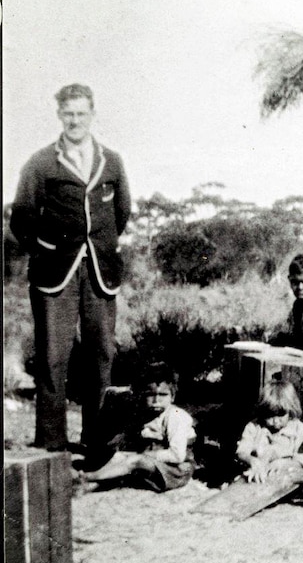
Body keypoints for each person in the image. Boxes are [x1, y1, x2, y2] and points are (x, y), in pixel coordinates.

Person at [10, 83, 132, 453]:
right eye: (68, 114)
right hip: (55, 275)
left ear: (93, 114)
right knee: (52, 358)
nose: (75, 120)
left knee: (101, 356)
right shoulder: (41, 162)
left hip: (99, 273)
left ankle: (97, 443)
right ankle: (51, 444)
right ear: (59, 116)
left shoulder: (111, 161)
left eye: (81, 113)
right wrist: (47, 249)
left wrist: (100, 246)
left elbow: (121, 212)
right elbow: (22, 218)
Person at [82, 364, 195, 492]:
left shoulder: (176, 417)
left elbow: (177, 455)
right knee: (120, 457)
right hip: (153, 462)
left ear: (172, 396)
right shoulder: (144, 413)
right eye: (150, 394)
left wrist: (143, 455)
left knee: (135, 460)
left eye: (163, 395)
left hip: (175, 469)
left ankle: (88, 477)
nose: (156, 400)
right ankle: (95, 482)